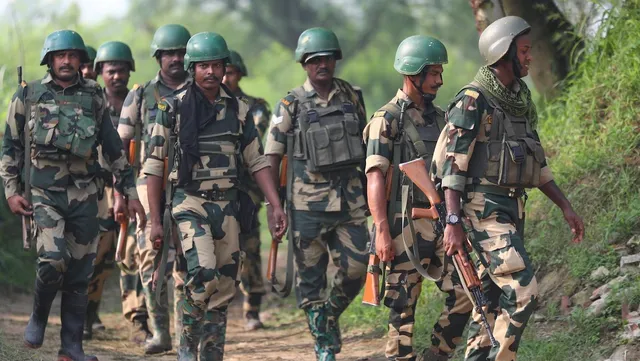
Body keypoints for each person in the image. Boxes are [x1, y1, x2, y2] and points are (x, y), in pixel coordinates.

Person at [433, 16, 585, 361]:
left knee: (487, 298)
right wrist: (454, 221)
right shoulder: (474, 100)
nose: (531, 57)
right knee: (523, 291)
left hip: (511, 208)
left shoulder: (519, 98)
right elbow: (452, 168)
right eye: (525, 50)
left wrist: (565, 206)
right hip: (480, 210)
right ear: (503, 53)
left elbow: (537, 164)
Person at [0, 29, 145, 361]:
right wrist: (10, 191)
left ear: (82, 61)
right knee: (52, 261)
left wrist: (129, 190)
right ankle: (38, 318)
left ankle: (71, 347)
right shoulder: (28, 94)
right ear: (49, 60)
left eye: (72, 55)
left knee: (81, 271)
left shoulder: (94, 96)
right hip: (43, 194)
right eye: (60, 55)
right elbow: (10, 147)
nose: (66, 61)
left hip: (84, 194)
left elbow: (112, 147)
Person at [143, 31, 287, 361]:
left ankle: (210, 355)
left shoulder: (239, 110)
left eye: (217, 65)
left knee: (223, 287)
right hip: (188, 202)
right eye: (203, 65)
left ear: (225, 68)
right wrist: (155, 220)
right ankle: (185, 348)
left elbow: (257, 160)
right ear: (192, 68)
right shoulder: (172, 108)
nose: (210, 72)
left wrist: (274, 204)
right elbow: (154, 166)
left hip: (228, 204)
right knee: (203, 272)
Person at [363, 35, 473, 361]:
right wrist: (381, 230)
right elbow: (374, 178)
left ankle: (436, 356)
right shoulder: (386, 120)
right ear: (413, 73)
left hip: (439, 225)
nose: (440, 80)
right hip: (401, 228)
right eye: (433, 73)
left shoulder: (442, 118)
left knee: (467, 292)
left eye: (441, 73)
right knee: (402, 312)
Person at [264, 27, 368, 361]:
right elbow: (270, 157)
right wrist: (274, 204)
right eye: (314, 60)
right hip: (306, 205)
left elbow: (367, 146)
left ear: (335, 60)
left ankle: (328, 316)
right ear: (304, 64)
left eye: (327, 58)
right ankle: (324, 343)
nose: (322, 64)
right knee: (310, 282)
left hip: (350, 201)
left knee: (358, 268)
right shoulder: (290, 104)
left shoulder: (352, 96)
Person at [117, 23, 192, 354]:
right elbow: (122, 143)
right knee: (150, 259)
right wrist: (124, 191)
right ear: (158, 57)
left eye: (180, 53)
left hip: (192, 185)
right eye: (169, 53)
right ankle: (160, 332)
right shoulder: (141, 94)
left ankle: (186, 333)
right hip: (149, 184)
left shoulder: (202, 92)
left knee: (189, 262)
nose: (175, 58)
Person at [84, 40, 151, 345]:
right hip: (98, 190)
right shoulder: (91, 103)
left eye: (122, 70)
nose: (116, 76)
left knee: (132, 255)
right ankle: (86, 315)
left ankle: (138, 321)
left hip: (133, 187)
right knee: (97, 254)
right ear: (100, 72)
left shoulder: (140, 103)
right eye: (111, 71)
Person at [222, 49, 271, 331]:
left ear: (240, 74)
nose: (226, 77)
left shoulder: (257, 106)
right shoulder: (202, 105)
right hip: (213, 188)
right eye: (222, 71)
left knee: (250, 247)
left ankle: (252, 308)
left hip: (248, 190)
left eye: (231, 72)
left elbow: (249, 140)